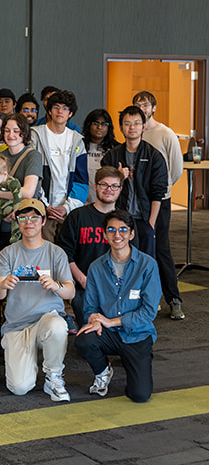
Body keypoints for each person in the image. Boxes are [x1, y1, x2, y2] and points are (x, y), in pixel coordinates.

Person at [0, 199, 75, 402]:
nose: (29, 222)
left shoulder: (56, 253)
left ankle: (54, 375)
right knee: (19, 387)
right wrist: (3, 285)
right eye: (23, 218)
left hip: (46, 319)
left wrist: (56, 286)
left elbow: (70, 292)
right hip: (17, 325)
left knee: (57, 326)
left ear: (43, 221)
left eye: (34, 217)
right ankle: (29, 360)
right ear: (17, 222)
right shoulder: (7, 254)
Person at [74, 211, 158, 403]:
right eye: (111, 230)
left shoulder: (148, 265)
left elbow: (149, 311)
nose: (117, 235)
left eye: (123, 230)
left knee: (139, 395)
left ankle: (138, 361)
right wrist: (95, 320)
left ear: (131, 234)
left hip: (137, 334)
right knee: (84, 340)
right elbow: (90, 306)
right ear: (104, 234)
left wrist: (111, 322)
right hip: (108, 333)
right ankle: (103, 370)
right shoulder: (96, 267)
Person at [104, 106, 178, 320]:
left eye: (136, 123)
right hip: (121, 220)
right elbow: (106, 190)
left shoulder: (153, 155)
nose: (132, 127)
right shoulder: (113, 155)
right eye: (127, 123)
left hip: (145, 219)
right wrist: (119, 177)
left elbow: (159, 192)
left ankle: (153, 304)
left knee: (147, 262)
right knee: (121, 261)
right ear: (121, 128)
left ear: (144, 126)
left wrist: (151, 224)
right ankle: (122, 304)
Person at [57, 167, 126, 316]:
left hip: (117, 288)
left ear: (120, 189)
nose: (109, 189)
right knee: (91, 327)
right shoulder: (77, 217)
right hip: (84, 287)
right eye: (104, 185)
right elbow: (64, 253)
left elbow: (134, 257)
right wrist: (82, 280)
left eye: (114, 186)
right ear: (95, 186)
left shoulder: (126, 220)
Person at [31, 91, 87, 224]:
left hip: (68, 212)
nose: (60, 111)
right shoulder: (35, 136)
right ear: (49, 111)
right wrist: (44, 205)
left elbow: (82, 181)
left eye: (65, 108)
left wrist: (67, 208)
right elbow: (32, 175)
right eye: (56, 107)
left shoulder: (77, 140)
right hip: (39, 209)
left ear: (70, 113)